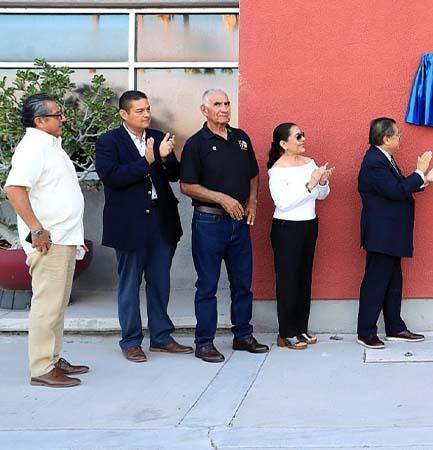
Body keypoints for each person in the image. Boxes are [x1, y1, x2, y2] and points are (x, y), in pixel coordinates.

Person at [95, 90, 192, 363]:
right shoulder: (108, 141)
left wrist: (165, 157)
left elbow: (174, 175)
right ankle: (131, 341)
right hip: (129, 223)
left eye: (148, 109)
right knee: (129, 284)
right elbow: (112, 177)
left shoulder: (158, 137)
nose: (146, 114)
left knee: (160, 282)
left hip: (161, 220)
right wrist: (147, 161)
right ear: (123, 114)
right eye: (140, 110)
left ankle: (161, 337)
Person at [4, 94, 89, 387]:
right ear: (40, 121)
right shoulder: (33, 147)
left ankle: (53, 358)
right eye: (57, 115)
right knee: (47, 305)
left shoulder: (50, 145)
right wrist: (36, 229)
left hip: (63, 238)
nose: (62, 118)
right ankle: (42, 368)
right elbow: (14, 189)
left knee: (57, 304)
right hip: (48, 241)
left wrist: (75, 236)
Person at [180, 88, 269, 362]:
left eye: (227, 103)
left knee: (243, 283)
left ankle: (243, 335)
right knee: (207, 285)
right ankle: (204, 343)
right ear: (204, 110)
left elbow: (253, 174)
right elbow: (187, 186)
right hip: (209, 222)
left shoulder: (241, 138)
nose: (224, 109)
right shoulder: (196, 144)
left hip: (239, 222)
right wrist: (221, 198)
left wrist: (252, 202)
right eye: (217, 104)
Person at [356, 117, 433, 349]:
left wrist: (424, 180)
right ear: (386, 138)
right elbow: (396, 191)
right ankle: (366, 332)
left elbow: (400, 188)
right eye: (397, 135)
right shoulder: (374, 161)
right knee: (376, 283)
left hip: (391, 234)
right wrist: (420, 171)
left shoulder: (385, 158)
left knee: (393, 282)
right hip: (381, 234)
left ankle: (395, 327)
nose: (400, 138)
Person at [267, 123, 332, 350]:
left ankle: (301, 328)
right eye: (298, 137)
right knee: (288, 281)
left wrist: (322, 182)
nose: (303, 139)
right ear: (284, 144)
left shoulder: (309, 163)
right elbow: (283, 203)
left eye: (303, 135)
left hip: (309, 224)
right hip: (287, 228)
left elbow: (321, 195)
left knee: (304, 279)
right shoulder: (277, 170)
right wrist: (310, 184)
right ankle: (286, 333)